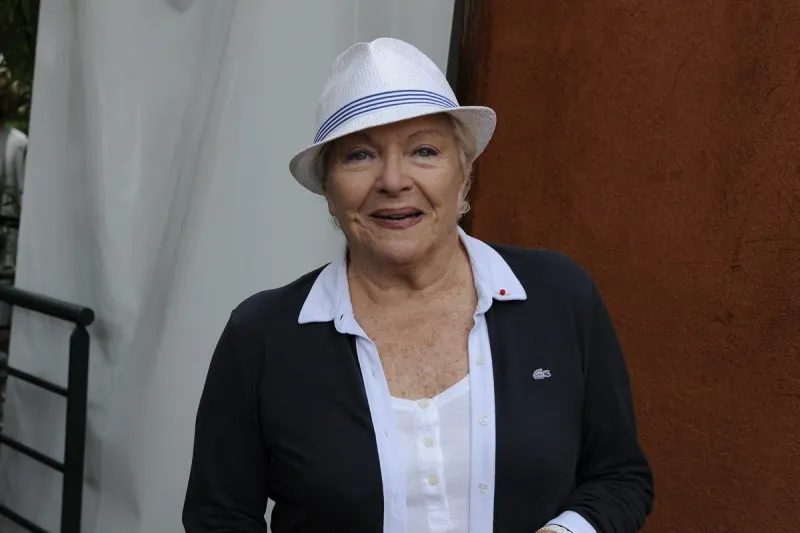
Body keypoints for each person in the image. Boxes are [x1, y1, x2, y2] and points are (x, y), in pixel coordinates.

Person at [182, 38, 654, 533]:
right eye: (359, 156)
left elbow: (619, 477)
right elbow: (220, 517)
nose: (393, 180)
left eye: (424, 151)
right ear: (328, 189)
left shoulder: (559, 297)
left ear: (464, 172)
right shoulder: (261, 336)